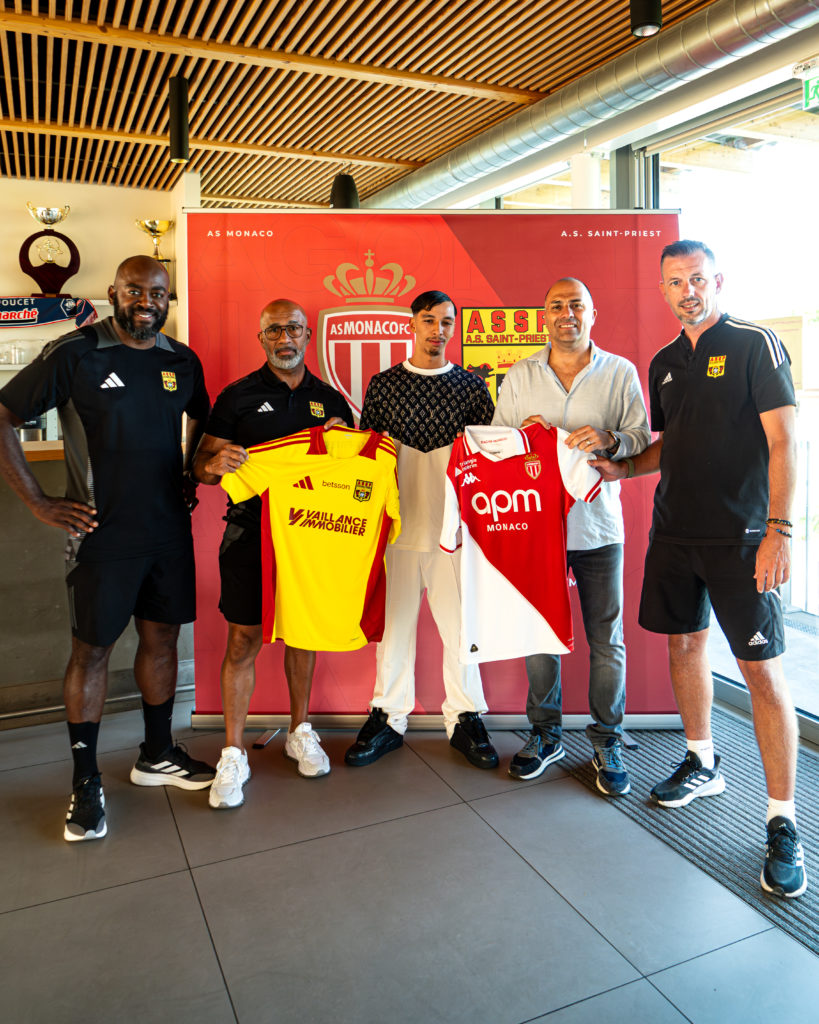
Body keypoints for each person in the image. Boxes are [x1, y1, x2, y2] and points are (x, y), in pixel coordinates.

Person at [594, 239, 806, 897]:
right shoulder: (663, 363)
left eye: (696, 278)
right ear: (662, 289)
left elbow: (784, 441)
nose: (687, 290)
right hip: (674, 535)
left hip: (742, 539)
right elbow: (672, 444)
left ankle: (782, 820)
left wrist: (779, 532)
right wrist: (624, 468)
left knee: (761, 672)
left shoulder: (753, 343)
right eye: (675, 282)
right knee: (684, 647)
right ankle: (701, 761)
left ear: (717, 280)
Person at [0, 255, 214, 842]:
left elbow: (202, 419)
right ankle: (86, 779)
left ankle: (157, 753)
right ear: (113, 292)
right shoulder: (76, 353)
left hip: (167, 532)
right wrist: (39, 501)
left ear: (169, 299)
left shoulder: (181, 359)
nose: (146, 302)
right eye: (134, 291)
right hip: (101, 535)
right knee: (92, 654)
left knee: (162, 639)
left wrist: (191, 471)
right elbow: (3, 416)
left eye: (158, 293)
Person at [192, 299, 353, 808]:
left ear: (308, 335)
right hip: (249, 534)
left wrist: (343, 446)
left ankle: (300, 730)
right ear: (261, 338)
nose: (285, 338)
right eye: (275, 330)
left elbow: (348, 476)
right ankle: (233, 752)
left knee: (302, 632)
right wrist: (215, 462)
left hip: (311, 538)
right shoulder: (236, 397)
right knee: (244, 639)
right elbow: (200, 468)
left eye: (293, 329)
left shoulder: (330, 400)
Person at [492, 278, 650, 795]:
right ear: (545, 316)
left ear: (592, 314)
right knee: (539, 635)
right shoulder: (520, 375)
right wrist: (523, 437)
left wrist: (609, 438)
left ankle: (608, 738)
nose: (567, 313)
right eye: (557, 305)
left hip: (598, 525)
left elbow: (641, 437)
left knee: (607, 638)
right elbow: (496, 446)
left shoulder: (619, 372)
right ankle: (546, 734)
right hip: (535, 527)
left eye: (576, 305)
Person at [344, 289, 498, 770]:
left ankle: (465, 717)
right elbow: (367, 457)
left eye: (447, 321)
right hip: (397, 528)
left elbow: (487, 462)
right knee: (393, 632)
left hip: (454, 533)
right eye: (429, 320)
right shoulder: (384, 385)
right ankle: (388, 717)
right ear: (412, 324)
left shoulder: (471, 387)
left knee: (461, 630)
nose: (438, 329)